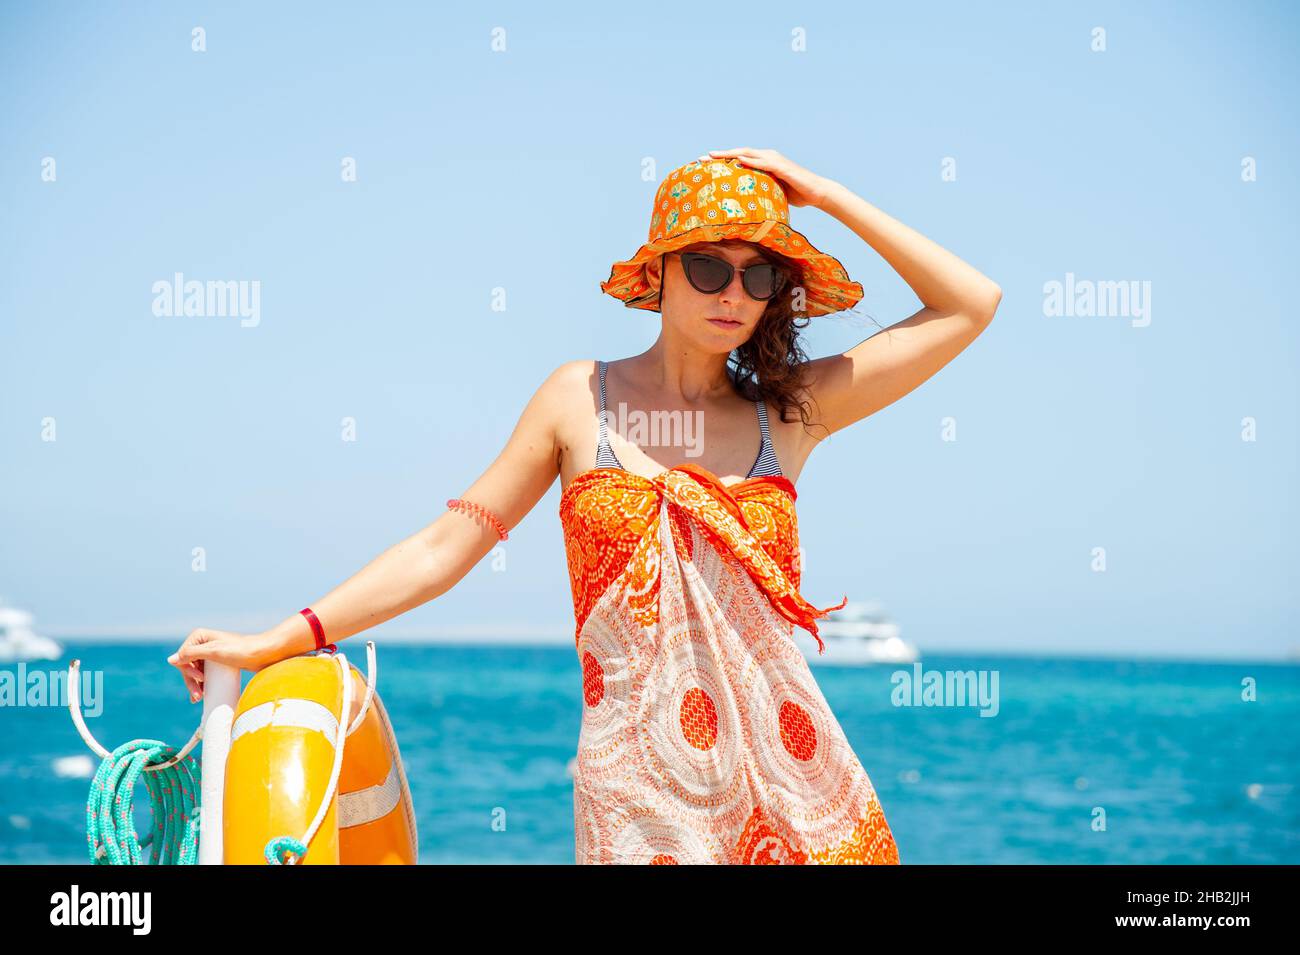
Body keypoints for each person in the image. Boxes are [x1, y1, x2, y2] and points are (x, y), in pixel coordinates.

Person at [169, 147, 1001, 864]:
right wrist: (282, 637)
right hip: (636, 793)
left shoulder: (786, 413)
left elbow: (972, 302)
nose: (734, 292)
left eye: (760, 273)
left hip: (792, 781)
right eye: (710, 265)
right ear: (661, 275)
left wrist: (823, 195)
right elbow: (445, 547)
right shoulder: (581, 400)